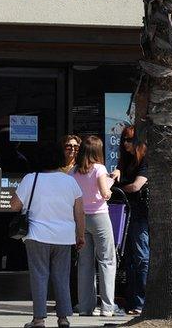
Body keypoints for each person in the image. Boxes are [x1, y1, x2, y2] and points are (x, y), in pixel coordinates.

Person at [11, 142, 86, 328]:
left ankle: (39, 319)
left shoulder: (31, 178)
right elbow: (80, 212)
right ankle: (63, 318)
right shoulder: (70, 181)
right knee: (61, 276)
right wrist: (81, 235)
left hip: (37, 235)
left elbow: (14, 205)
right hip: (64, 236)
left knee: (39, 275)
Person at [70, 136, 117, 317]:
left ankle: (85, 307)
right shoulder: (99, 168)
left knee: (84, 263)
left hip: (80, 218)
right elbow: (105, 194)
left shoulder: (73, 171)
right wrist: (111, 182)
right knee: (106, 260)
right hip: (99, 216)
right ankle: (107, 307)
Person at [110, 125, 148, 315]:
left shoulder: (145, 161)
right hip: (126, 212)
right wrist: (115, 174)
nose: (125, 143)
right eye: (123, 139)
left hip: (140, 214)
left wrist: (117, 189)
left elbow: (136, 186)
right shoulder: (125, 162)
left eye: (129, 139)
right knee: (130, 259)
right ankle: (133, 301)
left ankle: (140, 301)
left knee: (141, 257)